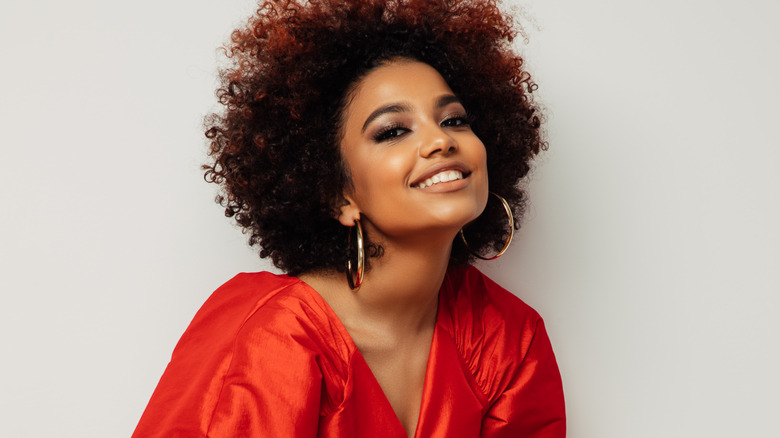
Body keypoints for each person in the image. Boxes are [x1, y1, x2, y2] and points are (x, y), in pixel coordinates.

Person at [133, 0, 565, 436]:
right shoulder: (271, 335)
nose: (439, 140)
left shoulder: (507, 337)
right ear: (339, 194)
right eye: (393, 131)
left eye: (453, 120)